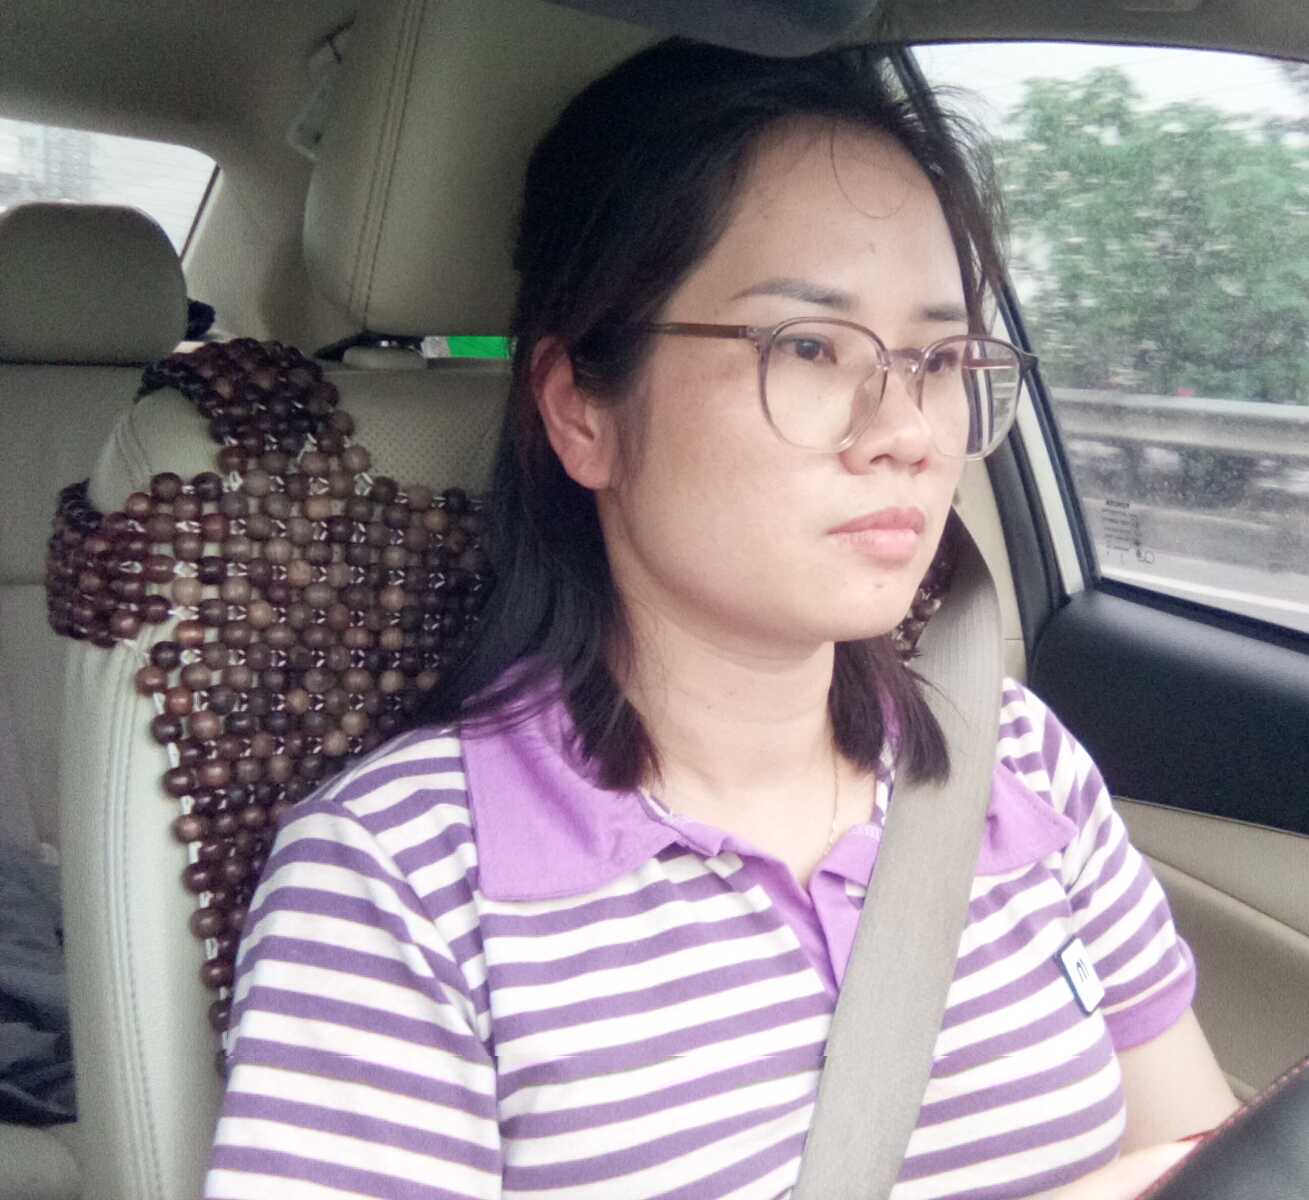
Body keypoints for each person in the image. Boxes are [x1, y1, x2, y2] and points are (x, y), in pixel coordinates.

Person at [204, 37, 1238, 1200]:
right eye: (809, 346)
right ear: (581, 410)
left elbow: (1232, 1168)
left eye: (941, 358)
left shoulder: (1015, 761)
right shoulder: (401, 881)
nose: (907, 432)